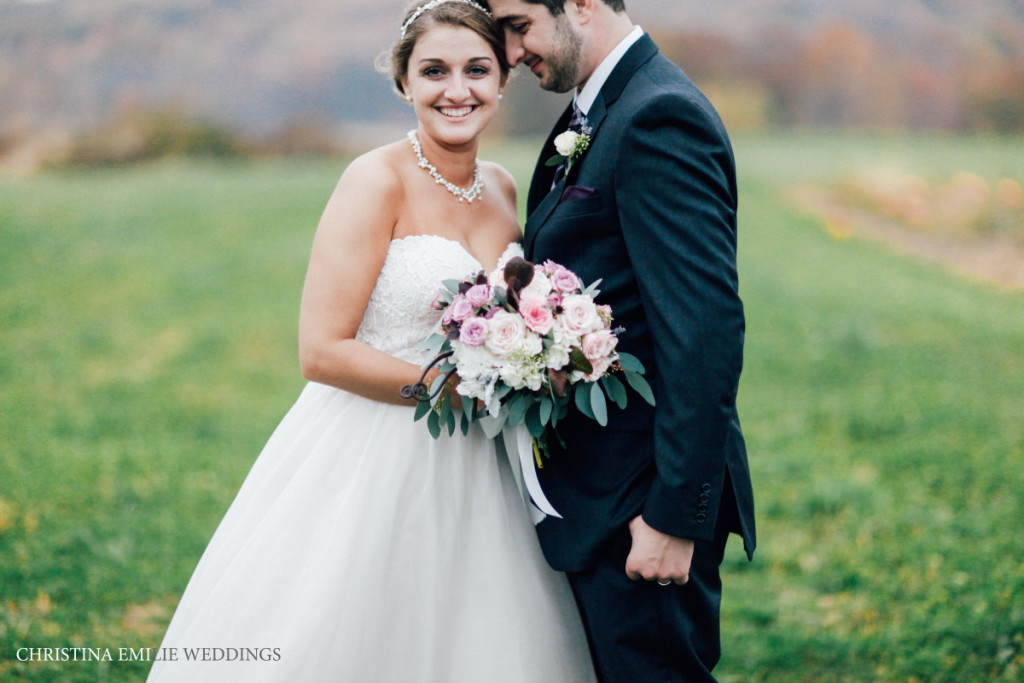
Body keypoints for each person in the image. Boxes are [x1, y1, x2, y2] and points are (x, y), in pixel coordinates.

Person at [146, 1, 596, 680]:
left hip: (486, 463)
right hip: (375, 452)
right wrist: (453, 386)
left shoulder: (503, 186)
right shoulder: (373, 179)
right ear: (404, 82)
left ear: (502, 80)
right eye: (434, 71)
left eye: (477, 70)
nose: (457, 90)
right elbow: (321, 349)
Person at [480, 1, 757, 681]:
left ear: (579, 4)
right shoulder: (596, 110)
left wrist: (674, 516)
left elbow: (706, 327)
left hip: (642, 503)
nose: (512, 53)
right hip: (600, 495)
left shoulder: (659, 116)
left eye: (519, 26)